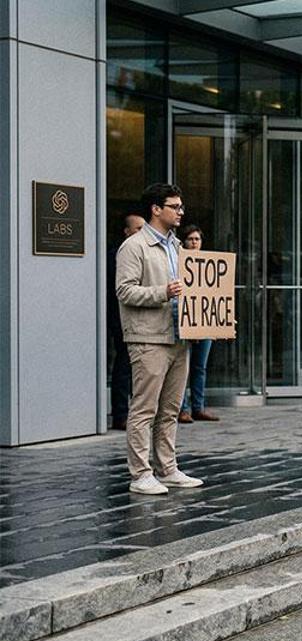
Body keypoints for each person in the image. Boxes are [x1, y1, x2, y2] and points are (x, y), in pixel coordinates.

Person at [115, 184, 204, 495]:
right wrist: (162, 293)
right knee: (144, 409)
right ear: (156, 209)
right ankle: (140, 474)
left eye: (180, 206)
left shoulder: (177, 247)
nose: (180, 212)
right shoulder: (134, 247)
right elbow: (124, 291)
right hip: (148, 338)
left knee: (170, 408)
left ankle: (167, 468)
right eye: (174, 206)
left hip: (179, 337)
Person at [177, 225, 220, 424]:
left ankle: (198, 407)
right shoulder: (177, 262)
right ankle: (182, 408)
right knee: (184, 367)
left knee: (200, 367)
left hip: (205, 321)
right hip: (186, 320)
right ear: (183, 241)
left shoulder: (208, 264)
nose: (194, 242)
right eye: (191, 239)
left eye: (198, 239)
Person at [108, 212, 145, 431]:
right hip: (121, 318)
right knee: (124, 365)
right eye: (138, 228)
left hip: (140, 318)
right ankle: (120, 413)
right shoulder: (117, 255)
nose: (142, 232)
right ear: (126, 232)